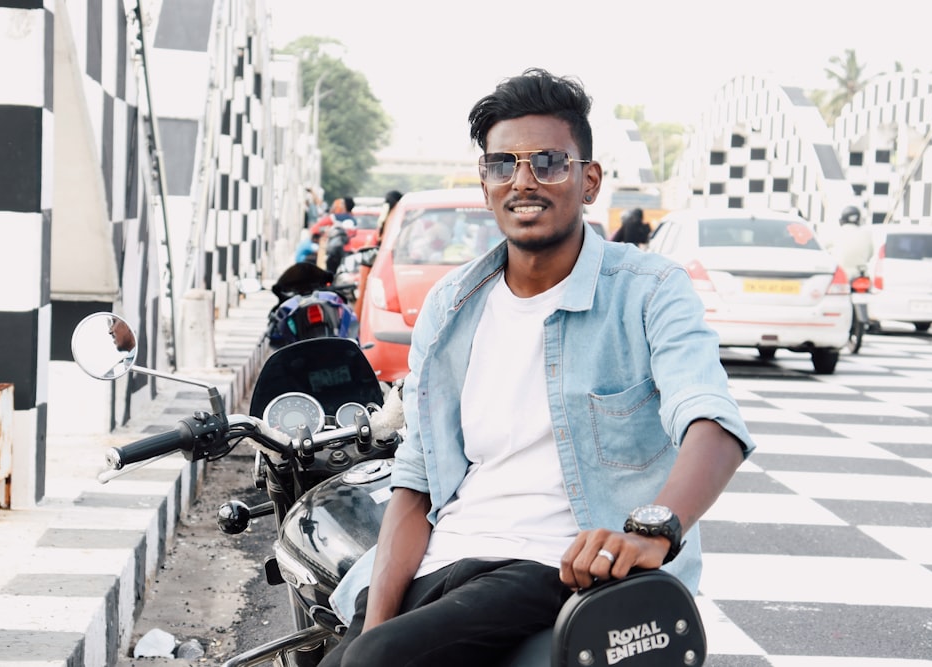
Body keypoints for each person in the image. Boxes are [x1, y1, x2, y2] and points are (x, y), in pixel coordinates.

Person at [322, 68, 754, 667]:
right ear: (486, 182)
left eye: (549, 161)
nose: (524, 181)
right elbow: (416, 480)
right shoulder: (451, 306)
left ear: (590, 180)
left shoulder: (649, 291)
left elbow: (711, 422)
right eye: (504, 164)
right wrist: (370, 630)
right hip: (450, 562)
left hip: (564, 568)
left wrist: (653, 530)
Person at [826, 205, 874, 277]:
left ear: (842, 220)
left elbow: (823, 248)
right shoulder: (867, 234)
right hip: (860, 274)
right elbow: (870, 255)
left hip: (840, 273)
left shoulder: (836, 233)